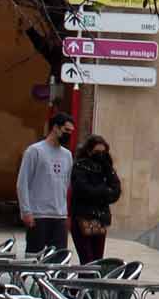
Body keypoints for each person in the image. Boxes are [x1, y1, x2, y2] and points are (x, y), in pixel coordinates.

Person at [17, 111, 75, 255]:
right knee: (34, 256)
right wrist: (26, 211)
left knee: (59, 258)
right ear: (55, 127)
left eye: (71, 131)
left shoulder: (67, 155)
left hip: (59, 215)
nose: (69, 134)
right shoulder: (35, 151)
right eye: (66, 130)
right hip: (38, 214)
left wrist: (67, 213)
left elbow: (67, 184)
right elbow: (22, 182)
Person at [69, 135, 121, 264]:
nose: (101, 155)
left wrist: (101, 191)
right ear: (89, 151)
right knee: (87, 259)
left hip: (100, 218)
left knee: (97, 260)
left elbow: (116, 190)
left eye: (103, 152)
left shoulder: (106, 168)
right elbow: (84, 190)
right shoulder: (80, 167)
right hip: (83, 217)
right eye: (97, 152)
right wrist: (104, 191)